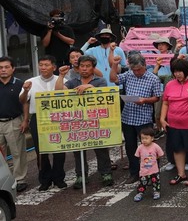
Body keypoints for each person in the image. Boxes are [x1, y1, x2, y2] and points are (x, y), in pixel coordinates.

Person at [55, 55, 114, 188]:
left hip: (96, 119)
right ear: (78, 67)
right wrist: (60, 76)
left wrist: (88, 86)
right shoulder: (73, 81)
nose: (84, 69)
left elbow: (104, 94)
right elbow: (59, 91)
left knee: (101, 147)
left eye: (88, 66)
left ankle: (106, 173)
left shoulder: (100, 80)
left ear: (93, 68)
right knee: (78, 149)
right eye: (82, 66)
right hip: (77, 120)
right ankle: (81, 175)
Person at [110, 52, 162, 182]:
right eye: (134, 70)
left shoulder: (153, 78)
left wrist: (144, 100)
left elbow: (157, 97)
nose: (137, 72)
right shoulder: (129, 74)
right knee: (130, 146)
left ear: (145, 65)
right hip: (128, 117)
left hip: (143, 118)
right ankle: (134, 173)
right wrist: (114, 65)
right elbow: (113, 79)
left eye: (139, 69)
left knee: (148, 147)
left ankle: (152, 172)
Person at [20, 55, 66, 191]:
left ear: (54, 67)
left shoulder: (62, 80)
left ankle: (59, 178)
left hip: (58, 118)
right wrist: (26, 90)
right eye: (41, 65)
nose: (43, 67)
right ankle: (44, 179)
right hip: (38, 119)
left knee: (59, 148)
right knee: (41, 150)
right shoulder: (30, 81)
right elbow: (22, 100)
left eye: (46, 65)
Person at [160, 58, 188, 187]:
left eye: (180, 71)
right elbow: (165, 102)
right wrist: (162, 119)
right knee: (177, 149)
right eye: (175, 71)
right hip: (173, 124)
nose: (178, 74)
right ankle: (181, 173)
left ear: (186, 71)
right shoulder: (170, 84)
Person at [0, 56, 27, 192]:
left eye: (6, 67)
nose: (3, 70)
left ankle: (19, 179)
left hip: (14, 121)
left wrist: (25, 120)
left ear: (13, 69)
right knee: (0, 154)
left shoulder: (19, 84)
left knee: (17, 152)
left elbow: (25, 103)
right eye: (0, 68)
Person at [133, 127, 164, 202]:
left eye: (146, 138)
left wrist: (155, 158)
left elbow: (161, 154)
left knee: (156, 182)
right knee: (142, 182)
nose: (144, 140)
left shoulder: (155, 146)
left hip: (154, 170)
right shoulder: (140, 147)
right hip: (144, 170)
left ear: (152, 138)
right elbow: (137, 155)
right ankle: (140, 193)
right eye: (142, 138)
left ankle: (156, 192)